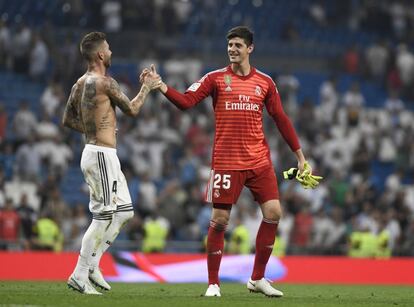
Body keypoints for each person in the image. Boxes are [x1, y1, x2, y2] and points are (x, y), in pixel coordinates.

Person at [141, 26, 320, 297]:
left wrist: (300, 157)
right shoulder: (214, 79)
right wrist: (162, 86)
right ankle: (213, 283)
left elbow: (281, 119)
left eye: (238, 45)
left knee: (273, 214)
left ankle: (257, 278)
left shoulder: (266, 82)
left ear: (250, 48)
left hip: (259, 161)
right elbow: (187, 102)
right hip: (226, 162)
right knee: (220, 220)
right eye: (230, 45)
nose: (232, 49)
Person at [62, 31, 161, 295]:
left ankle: (93, 264)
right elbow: (132, 109)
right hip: (101, 155)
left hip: (99, 153)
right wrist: (147, 87)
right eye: (108, 48)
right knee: (104, 214)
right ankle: (79, 274)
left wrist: (94, 129)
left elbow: (67, 119)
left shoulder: (79, 83)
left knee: (125, 211)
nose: (112, 51)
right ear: (101, 55)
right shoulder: (106, 82)